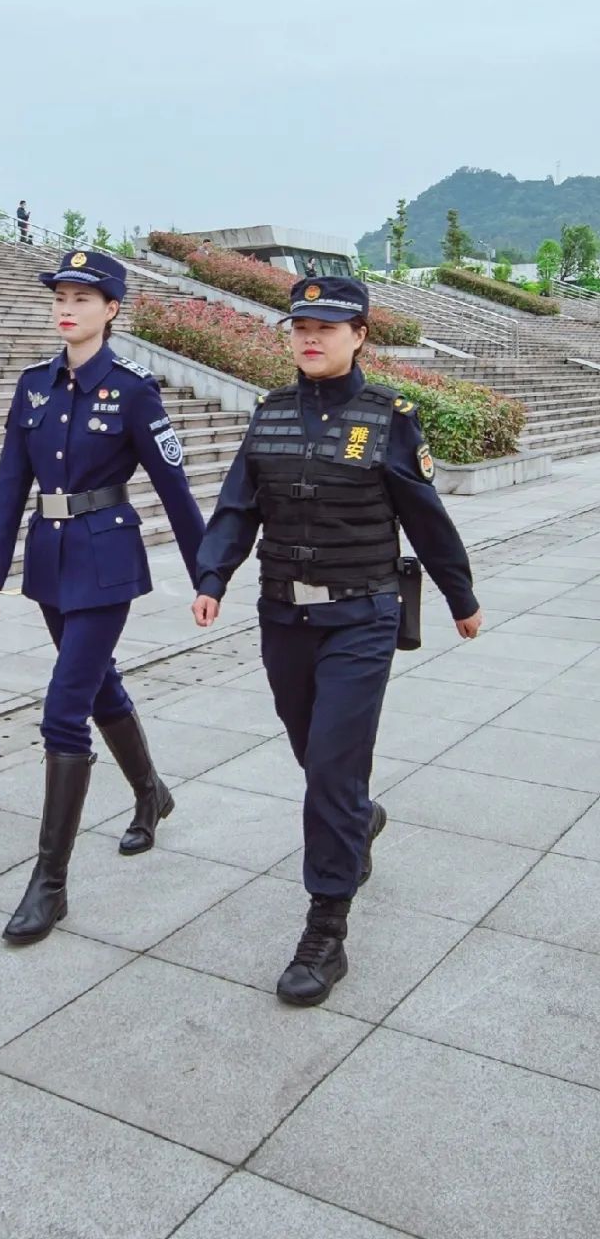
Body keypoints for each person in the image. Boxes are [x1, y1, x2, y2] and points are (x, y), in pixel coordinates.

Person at [193, 275, 483, 1006]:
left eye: (328, 326)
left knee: (329, 764)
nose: (310, 338)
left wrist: (460, 595)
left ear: (360, 336)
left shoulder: (388, 418)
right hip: (284, 617)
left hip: (362, 616)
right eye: (299, 327)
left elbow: (426, 516)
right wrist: (212, 576)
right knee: (313, 755)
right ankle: (357, 818)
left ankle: (326, 928)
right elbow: (236, 507)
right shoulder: (272, 415)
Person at [0, 248, 205, 943]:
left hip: (106, 563)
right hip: (48, 561)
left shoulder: (134, 389)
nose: (66, 307)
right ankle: (150, 793)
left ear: (111, 309)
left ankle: (49, 884)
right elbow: (12, 482)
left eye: (82, 297)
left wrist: (209, 577)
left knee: (62, 712)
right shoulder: (33, 387)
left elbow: (175, 490)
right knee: (100, 687)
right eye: (59, 296)